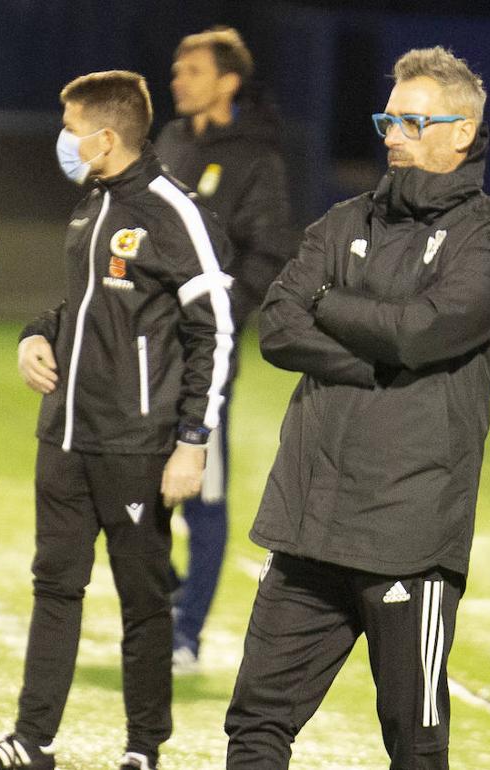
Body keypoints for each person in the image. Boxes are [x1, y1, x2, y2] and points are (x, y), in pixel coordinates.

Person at [223, 47, 490, 769]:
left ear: (461, 133)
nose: (393, 134)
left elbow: (422, 331)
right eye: (387, 117)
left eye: (413, 121)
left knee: (416, 748)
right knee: (256, 725)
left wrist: (332, 304)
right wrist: (372, 357)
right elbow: (280, 324)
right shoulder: (338, 222)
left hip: (408, 536)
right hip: (307, 526)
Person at [0, 70, 234, 770]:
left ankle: (143, 750)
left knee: (143, 601)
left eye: (71, 127)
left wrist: (193, 441)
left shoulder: (176, 213)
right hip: (65, 438)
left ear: (106, 138)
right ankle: (30, 740)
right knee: (55, 586)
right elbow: (81, 308)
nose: (63, 141)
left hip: (136, 445)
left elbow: (217, 331)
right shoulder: (91, 205)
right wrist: (34, 336)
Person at [154, 26, 292, 673]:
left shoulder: (258, 158)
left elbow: (268, 253)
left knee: (203, 490)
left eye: (192, 70)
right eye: (177, 69)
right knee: (123, 477)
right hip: (146, 344)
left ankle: (185, 633)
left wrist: (218, 317)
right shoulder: (172, 141)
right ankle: (164, 593)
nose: (178, 79)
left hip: (205, 353)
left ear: (228, 81)